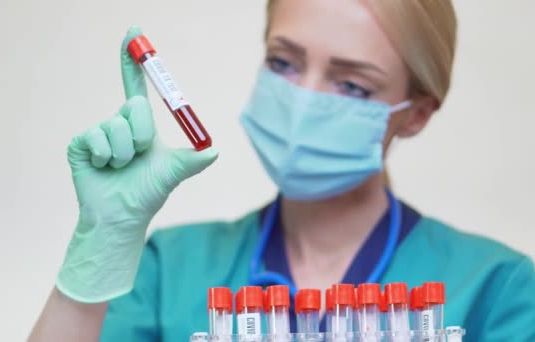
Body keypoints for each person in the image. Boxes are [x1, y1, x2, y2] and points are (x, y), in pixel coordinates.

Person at [29, 0, 535, 341]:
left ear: (416, 113)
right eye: (284, 63)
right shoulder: (171, 269)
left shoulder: (497, 288)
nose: (303, 100)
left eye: (353, 85)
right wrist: (96, 252)